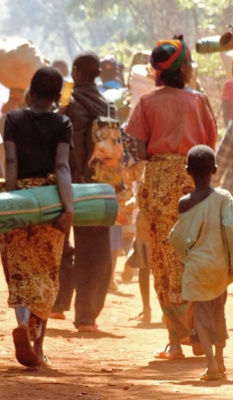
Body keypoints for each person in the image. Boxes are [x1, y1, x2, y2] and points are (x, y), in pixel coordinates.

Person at [125, 35, 217, 359]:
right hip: (196, 180)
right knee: (195, 255)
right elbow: (210, 145)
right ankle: (199, 333)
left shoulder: (147, 102)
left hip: (160, 182)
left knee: (164, 260)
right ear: (184, 69)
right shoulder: (200, 100)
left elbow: (135, 146)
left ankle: (175, 341)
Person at [0, 66, 73, 367]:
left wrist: (16, 201)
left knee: (19, 272)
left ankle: (21, 323)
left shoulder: (12, 119)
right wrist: (68, 208)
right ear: (57, 96)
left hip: (18, 198)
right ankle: (38, 347)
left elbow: (12, 160)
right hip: (50, 201)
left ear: (30, 91)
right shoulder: (62, 122)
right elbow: (61, 167)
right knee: (45, 274)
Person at [169, 145, 233, 381]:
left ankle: (211, 364)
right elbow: (230, 230)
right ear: (215, 170)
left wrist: (187, 257)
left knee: (201, 316)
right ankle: (220, 360)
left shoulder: (184, 203)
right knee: (219, 311)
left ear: (188, 171)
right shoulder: (224, 198)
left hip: (196, 267)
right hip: (220, 267)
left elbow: (177, 237)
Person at [64, 51, 116, 332]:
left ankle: (56, 305)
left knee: (57, 243)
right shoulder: (108, 105)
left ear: (75, 71)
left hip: (65, 181)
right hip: (98, 184)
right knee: (95, 251)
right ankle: (87, 317)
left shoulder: (68, 104)